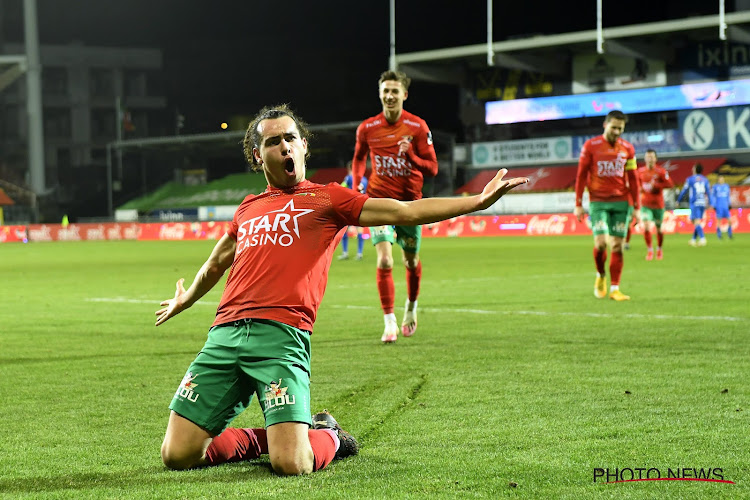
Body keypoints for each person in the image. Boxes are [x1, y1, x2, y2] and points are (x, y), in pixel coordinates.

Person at [155, 104, 528, 476]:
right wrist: (186, 299)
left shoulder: (328, 199)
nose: (284, 146)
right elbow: (218, 260)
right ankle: (264, 440)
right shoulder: (247, 208)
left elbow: (402, 211)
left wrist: (476, 202)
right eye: (273, 142)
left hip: (281, 336)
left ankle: (328, 434)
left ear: (303, 147)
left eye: (291, 138)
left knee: (293, 465)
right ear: (258, 155)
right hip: (224, 335)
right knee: (176, 453)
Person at [351, 69, 439, 343]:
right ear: (380, 94)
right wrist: (357, 186)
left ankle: (411, 308)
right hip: (379, 202)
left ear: (404, 94)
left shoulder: (417, 127)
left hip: (410, 205)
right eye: (385, 91)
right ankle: (389, 322)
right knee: (385, 258)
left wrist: (411, 155)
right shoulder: (367, 128)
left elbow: (433, 168)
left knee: (410, 261)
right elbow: (358, 159)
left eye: (394, 91)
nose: (389, 96)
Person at [574, 110, 640, 301]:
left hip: (621, 202)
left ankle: (615, 289)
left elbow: (633, 179)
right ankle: (601, 275)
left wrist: (637, 206)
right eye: (614, 127)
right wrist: (578, 204)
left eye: (620, 128)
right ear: (605, 125)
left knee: (617, 246)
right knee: (601, 244)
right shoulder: (591, 146)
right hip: (598, 202)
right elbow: (581, 175)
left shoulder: (628, 148)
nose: (617, 132)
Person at [637, 149, 674, 260]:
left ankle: (659, 249)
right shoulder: (640, 172)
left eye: (652, 156)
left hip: (658, 205)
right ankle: (649, 250)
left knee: (659, 229)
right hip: (645, 205)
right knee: (647, 227)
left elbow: (670, 184)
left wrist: (656, 185)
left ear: (655, 158)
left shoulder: (661, 171)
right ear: (645, 158)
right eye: (648, 156)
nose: (649, 158)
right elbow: (638, 186)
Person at [338, 162, 368, 260]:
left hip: (349, 207)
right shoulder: (364, 179)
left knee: (344, 230)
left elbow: (341, 188)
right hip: (361, 207)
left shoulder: (349, 178)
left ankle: (345, 252)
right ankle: (360, 253)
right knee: (360, 230)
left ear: (350, 168)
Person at [677, 163, 711, 247]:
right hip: (702, 202)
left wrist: (678, 200)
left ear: (695, 169)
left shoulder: (690, 179)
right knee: (696, 221)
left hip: (694, 203)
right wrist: (710, 202)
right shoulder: (705, 179)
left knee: (695, 222)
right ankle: (693, 239)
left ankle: (703, 239)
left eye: (693, 168)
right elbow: (709, 192)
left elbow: (684, 190)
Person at [710, 175, 733, 240]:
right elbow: (713, 196)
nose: (721, 180)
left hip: (725, 206)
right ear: (718, 180)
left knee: (730, 220)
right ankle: (719, 235)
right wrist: (713, 205)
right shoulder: (715, 187)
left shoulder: (726, 186)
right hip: (719, 206)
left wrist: (729, 203)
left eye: (722, 179)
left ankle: (730, 233)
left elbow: (728, 196)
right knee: (718, 221)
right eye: (720, 179)